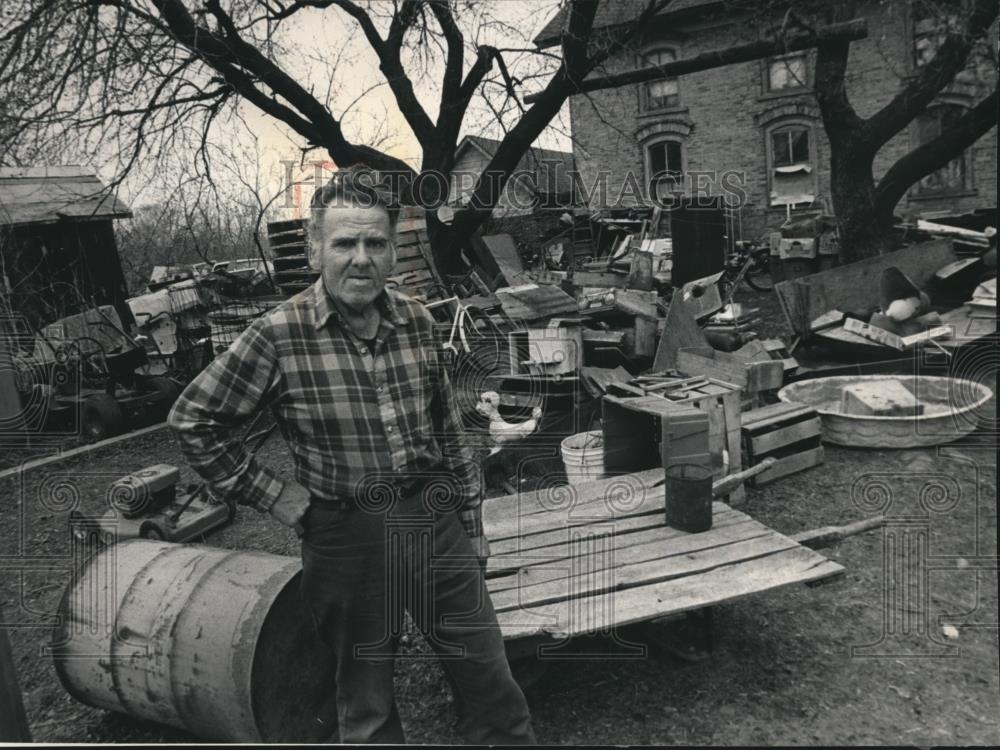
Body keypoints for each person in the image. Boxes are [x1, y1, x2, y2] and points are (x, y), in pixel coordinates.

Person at [167, 170, 536, 744]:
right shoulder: (276, 334)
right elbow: (194, 420)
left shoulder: (417, 319)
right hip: (345, 536)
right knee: (365, 706)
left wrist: (472, 524)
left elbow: (448, 429)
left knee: (491, 682)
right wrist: (276, 496)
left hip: (434, 523)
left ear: (392, 250)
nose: (360, 259)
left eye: (375, 243)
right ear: (316, 248)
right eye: (344, 243)